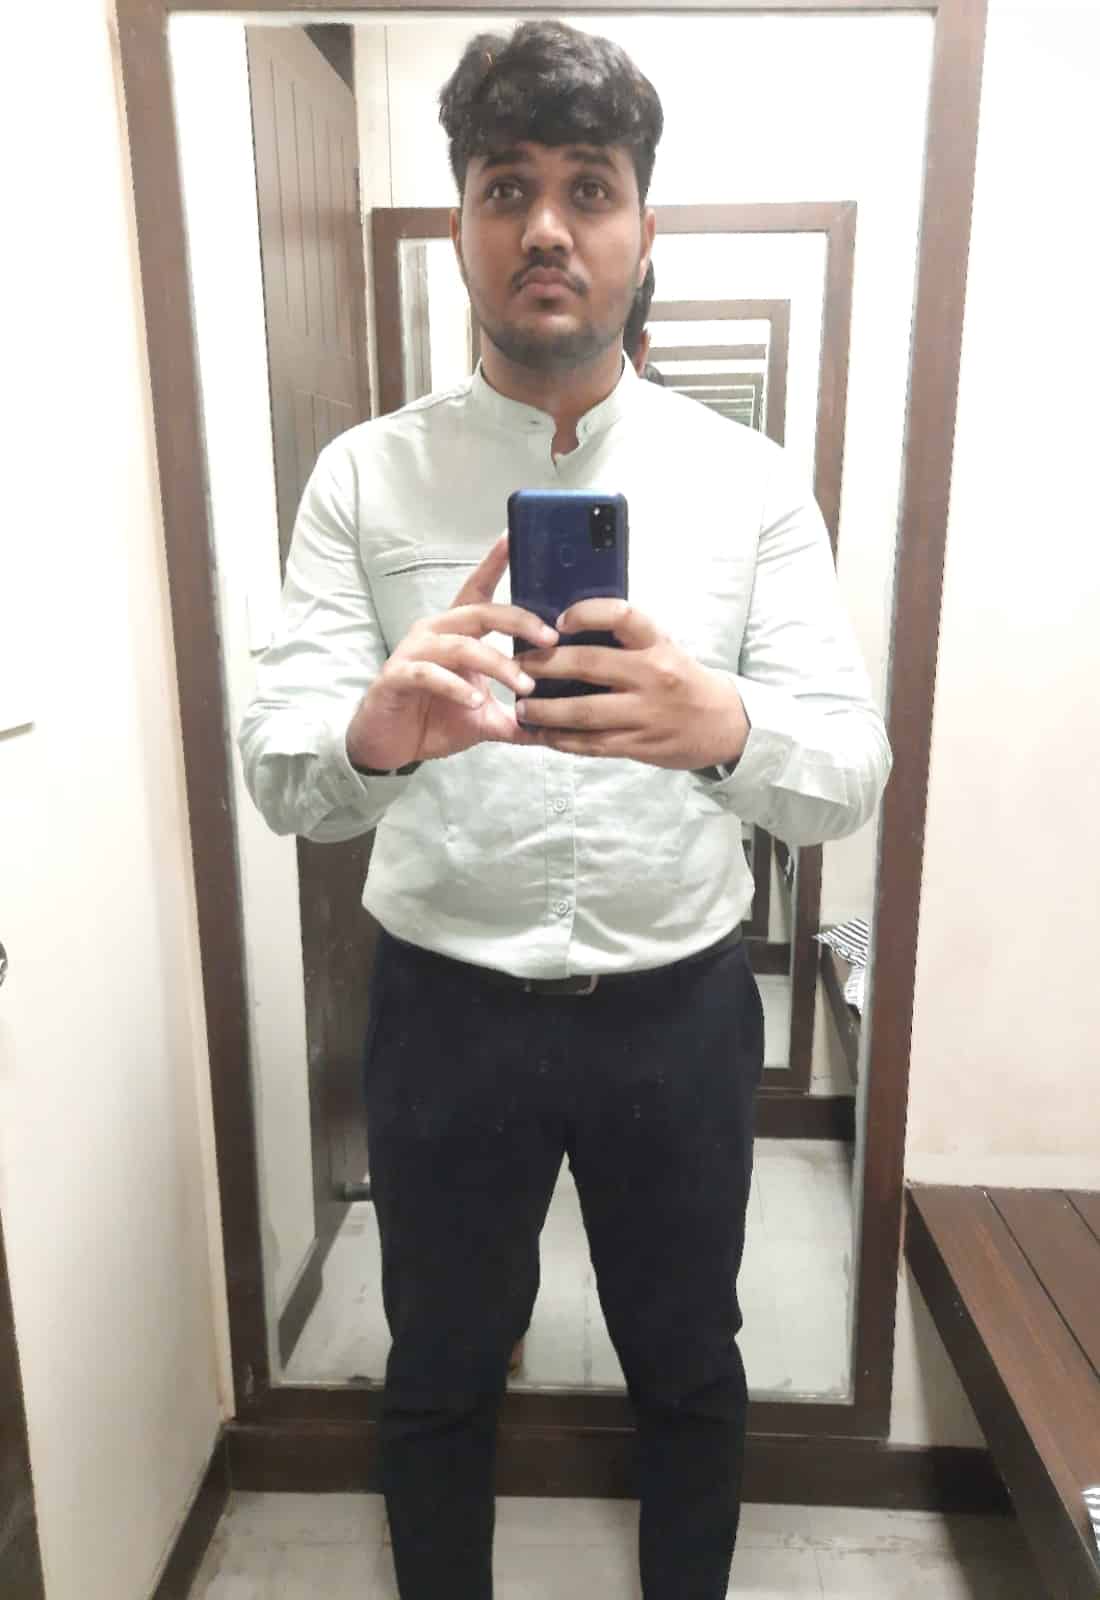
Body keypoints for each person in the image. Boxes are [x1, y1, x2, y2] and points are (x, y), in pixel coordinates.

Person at [239, 20, 891, 1599]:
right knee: (441, 1365)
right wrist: (374, 736)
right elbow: (282, 776)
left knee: (690, 1362)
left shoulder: (749, 486)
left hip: (677, 1008)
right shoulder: (363, 480)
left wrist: (724, 731)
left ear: (642, 229)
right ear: (463, 224)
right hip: (443, 1010)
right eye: (505, 186)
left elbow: (848, 770)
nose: (546, 226)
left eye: (588, 188)